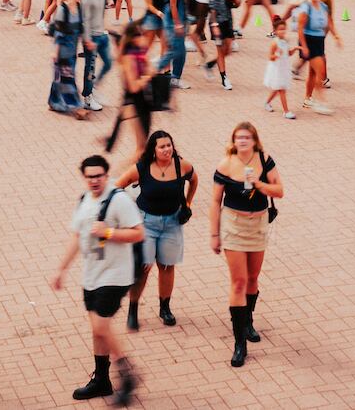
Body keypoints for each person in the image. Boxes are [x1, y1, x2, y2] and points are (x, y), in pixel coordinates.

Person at [53, 152, 143, 403]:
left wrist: (110, 232)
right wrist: (62, 269)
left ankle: (127, 374)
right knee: (97, 331)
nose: (95, 181)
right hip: (92, 274)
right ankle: (101, 381)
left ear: (106, 175)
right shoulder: (84, 200)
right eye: (90, 177)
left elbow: (138, 234)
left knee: (100, 325)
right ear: (84, 177)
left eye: (99, 176)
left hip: (116, 274)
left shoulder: (119, 200)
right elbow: (76, 237)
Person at [208, 120, 279, 369]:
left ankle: (247, 320)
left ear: (254, 140)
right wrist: (214, 234)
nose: (242, 141)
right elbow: (215, 201)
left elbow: (279, 190)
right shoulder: (226, 164)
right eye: (238, 137)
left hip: (258, 225)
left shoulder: (264, 159)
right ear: (233, 140)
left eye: (247, 137)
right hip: (234, 227)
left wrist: (260, 184)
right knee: (238, 281)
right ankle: (240, 343)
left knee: (253, 278)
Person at [116, 130, 193, 332]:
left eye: (169, 145)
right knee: (143, 269)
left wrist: (187, 202)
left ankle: (165, 308)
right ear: (153, 149)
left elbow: (194, 180)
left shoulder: (181, 165)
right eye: (162, 146)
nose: (167, 149)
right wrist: (126, 215)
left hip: (172, 223)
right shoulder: (141, 168)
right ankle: (133, 310)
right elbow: (117, 187)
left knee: (167, 266)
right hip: (146, 224)